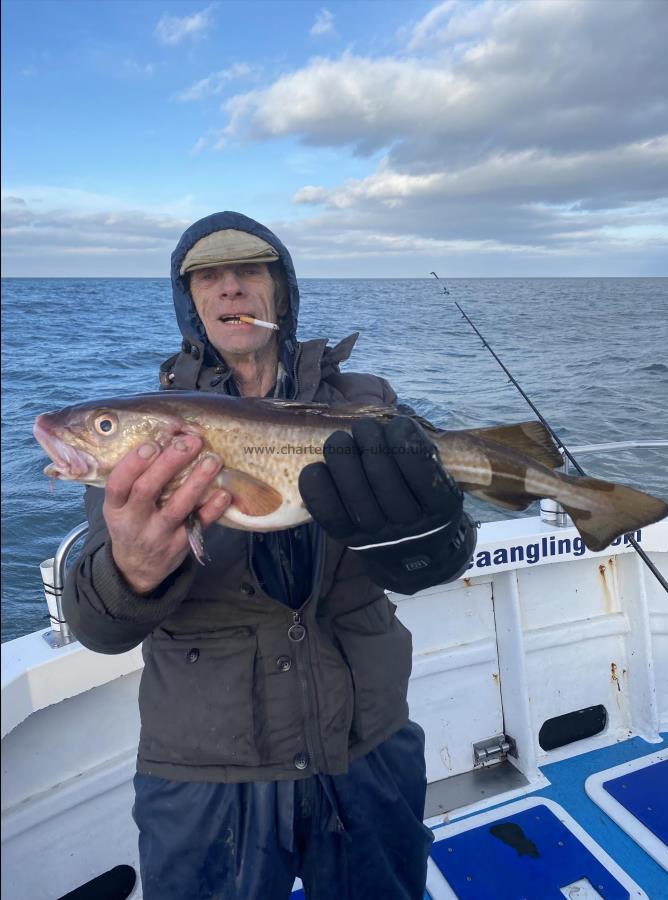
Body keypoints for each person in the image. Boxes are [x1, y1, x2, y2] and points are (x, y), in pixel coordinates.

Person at [63, 211, 477, 900]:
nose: (229, 289)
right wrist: (131, 571)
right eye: (207, 277)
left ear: (279, 290)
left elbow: (441, 562)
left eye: (248, 271)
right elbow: (98, 629)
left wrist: (424, 536)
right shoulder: (149, 433)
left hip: (366, 744)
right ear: (188, 301)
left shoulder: (368, 407)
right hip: (205, 769)